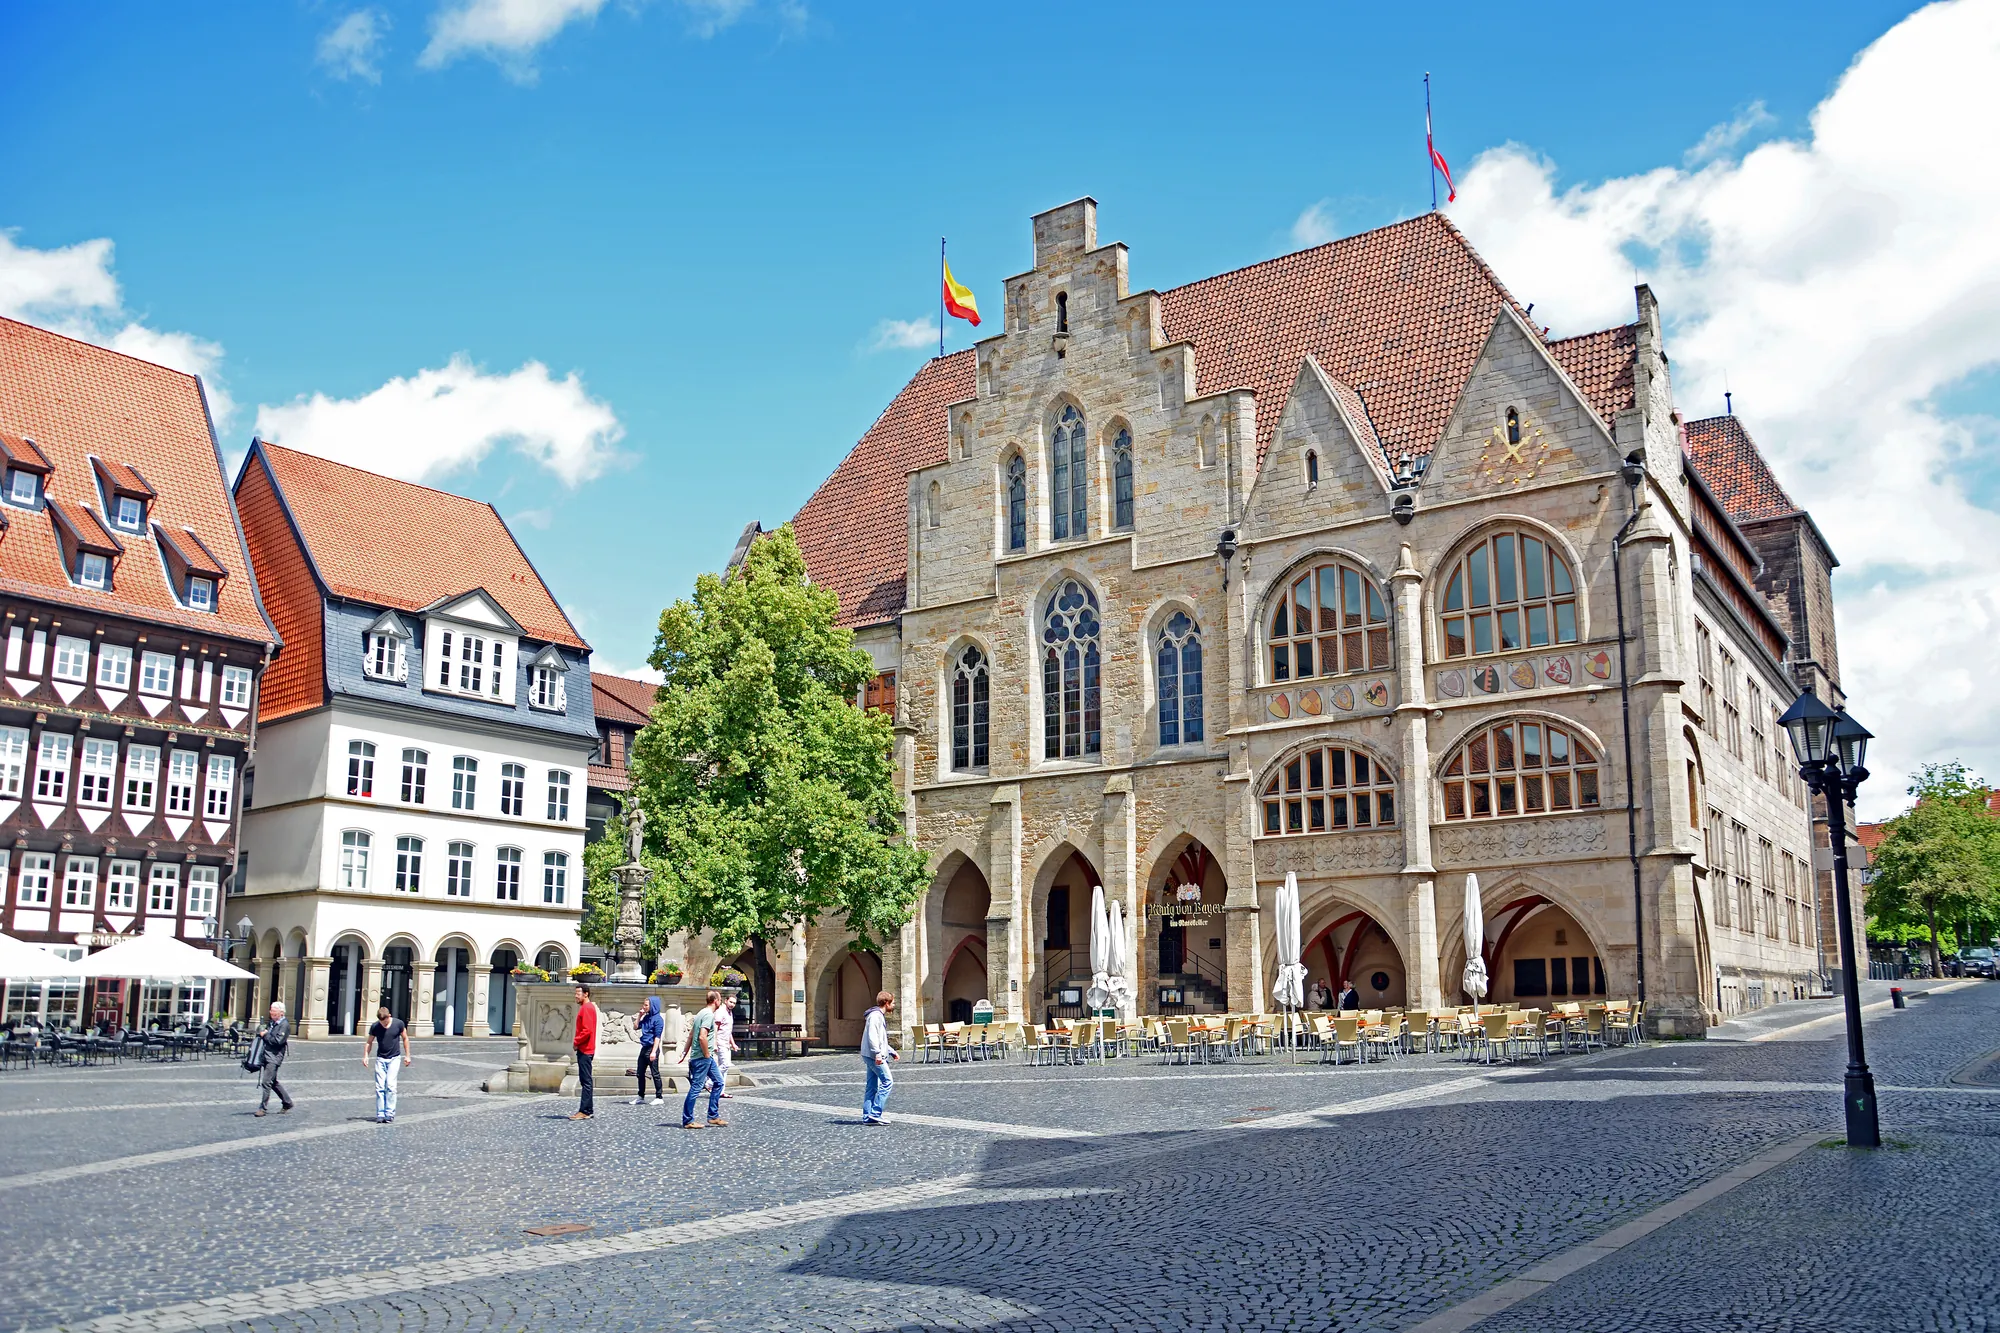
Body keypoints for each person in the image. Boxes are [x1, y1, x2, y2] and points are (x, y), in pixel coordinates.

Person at [678, 989, 726, 1129]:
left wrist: (684, 1052)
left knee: (718, 1082)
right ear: (716, 1001)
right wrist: (706, 1055)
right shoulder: (708, 1015)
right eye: (720, 1000)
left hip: (704, 1057)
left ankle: (713, 1116)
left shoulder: (700, 1013)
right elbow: (701, 1036)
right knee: (696, 1088)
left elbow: (691, 1035)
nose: (720, 1002)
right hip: (702, 1057)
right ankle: (688, 1120)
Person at [363, 1003, 413, 1124]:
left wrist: (407, 1055)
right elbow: (369, 1042)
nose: (383, 1024)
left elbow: (405, 1038)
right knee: (380, 1087)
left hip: (394, 1058)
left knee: (391, 1086)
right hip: (381, 1059)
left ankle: (389, 1113)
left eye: (385, 1022)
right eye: (381, 1022)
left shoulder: (398, 1024)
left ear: (389, 1016)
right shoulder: (375, 1026)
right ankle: (380, 1113)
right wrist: (366, 1056)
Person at [860, 990, 898, 1125]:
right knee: (888, 1081)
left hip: (870, 1054)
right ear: (886, 1003)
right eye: (892, 1003)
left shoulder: (877, 1015)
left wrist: (891, 1051)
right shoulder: (875, 1016)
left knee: (871, 1086)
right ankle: (876, 1113)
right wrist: (877, 1053)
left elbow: (881, 1039)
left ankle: (867, 1116)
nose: (894, 1005)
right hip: (873, 1055)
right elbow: (872, 1036)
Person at [253, 1001, 293, 1117]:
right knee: (273, 1082)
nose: (271, 1012)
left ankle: (262, 1108)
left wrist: (265, 1035)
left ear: (281, 1012)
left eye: (273, 1010)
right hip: (267, 1055)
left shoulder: (284, 1025)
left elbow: (277, 1041)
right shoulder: (272, 1023)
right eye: (271, 1010)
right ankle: (287, 1102)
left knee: (266, 1082)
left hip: (274, 1057)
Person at [631, 995, 665, 1106]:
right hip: (644, 1047)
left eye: (646, 1005)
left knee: (655, 1073)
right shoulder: (646, 1017)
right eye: (644, 1005)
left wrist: (654, 1052)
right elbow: (635, 1027)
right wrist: (640, 1016)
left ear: (653, 1006)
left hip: (652, 1048)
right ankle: (641, 1096)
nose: (644, 1007)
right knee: (640, 1073)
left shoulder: (658, 1020)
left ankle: (659, 1096)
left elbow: (657, 1037)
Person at [571, 983, 597, 1121]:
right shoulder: (588, 1007)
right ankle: (588, 1109)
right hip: (586, 1048)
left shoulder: (586, 1008)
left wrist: (576, 1042)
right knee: (585, 1080)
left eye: (578, 993)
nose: (576, 996)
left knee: (585, 1081)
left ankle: (585, 1111)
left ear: (586, 994)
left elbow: (587, 1030)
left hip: (585, 1049)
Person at [713, 989, 738, 1099]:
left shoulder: (729, 1013)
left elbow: (728, 1031)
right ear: (726, 1001)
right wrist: (714, 1044)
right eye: (731, 1002)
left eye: (734, 1003)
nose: (732, 1005)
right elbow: (715, 1028)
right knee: (725, 1064)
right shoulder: (721, 1011)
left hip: (726, 1043)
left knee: (725, 1068)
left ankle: (721, 1091)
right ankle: (709, 1082)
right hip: (720, 1042)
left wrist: (733, 1044)